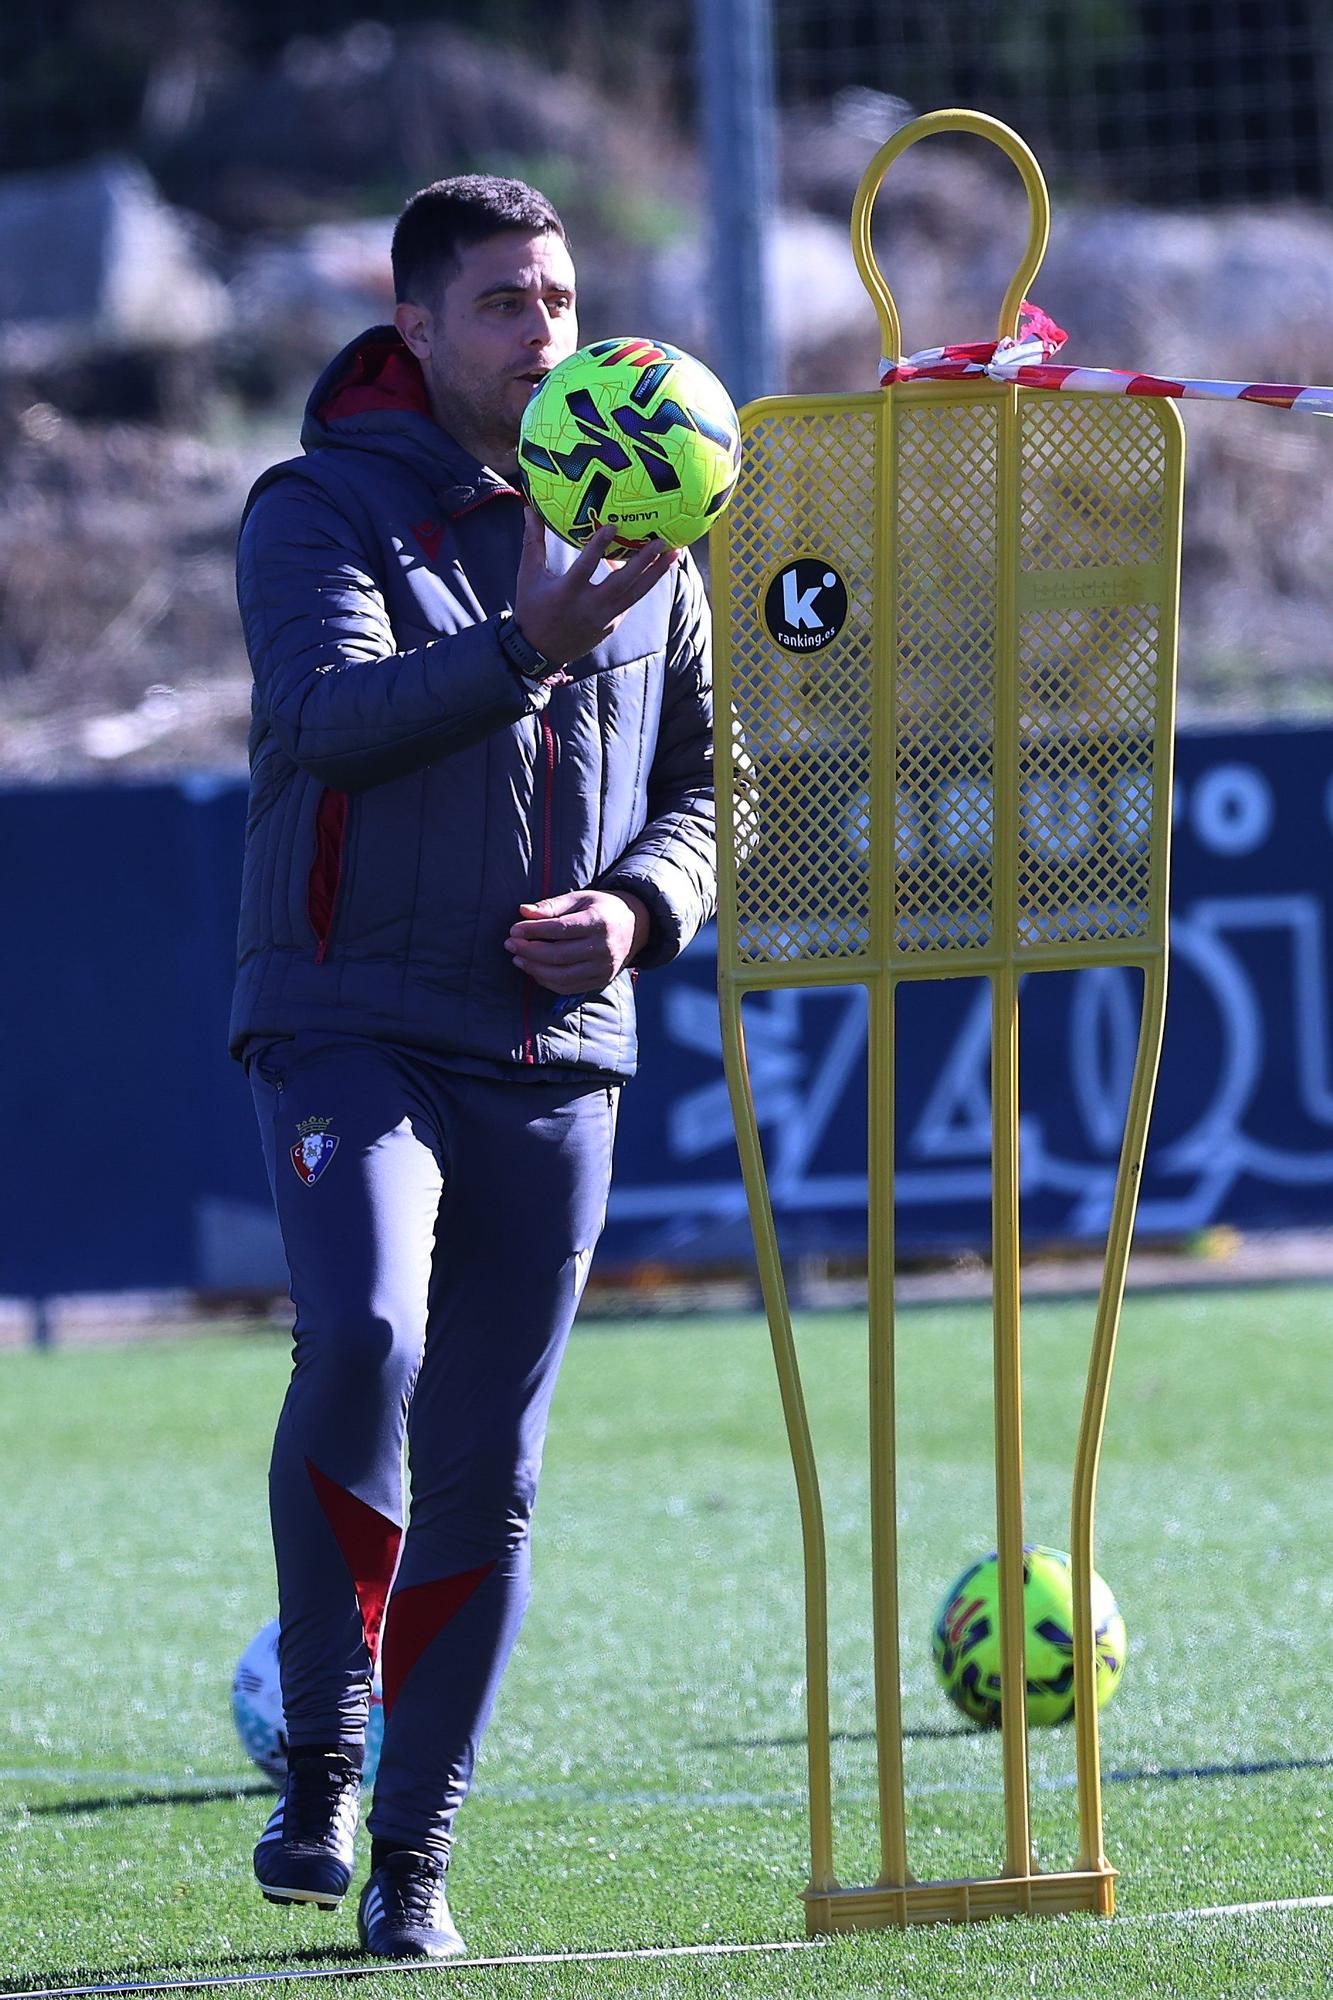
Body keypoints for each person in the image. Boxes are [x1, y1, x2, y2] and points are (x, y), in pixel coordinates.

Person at [231, 174, 717, 1960]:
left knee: (488, 1464)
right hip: (347, 1011)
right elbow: (327, 727)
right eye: (504, 304)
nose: (542, 335)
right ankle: (321, 1743)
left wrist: (642, 915)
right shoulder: (317, 507)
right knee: (365, 1333)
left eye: (563, 297)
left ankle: (412, 1867)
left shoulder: (663, 517)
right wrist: (530, 639)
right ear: (415, 324)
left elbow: (704, 797)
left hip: (553, 1046)